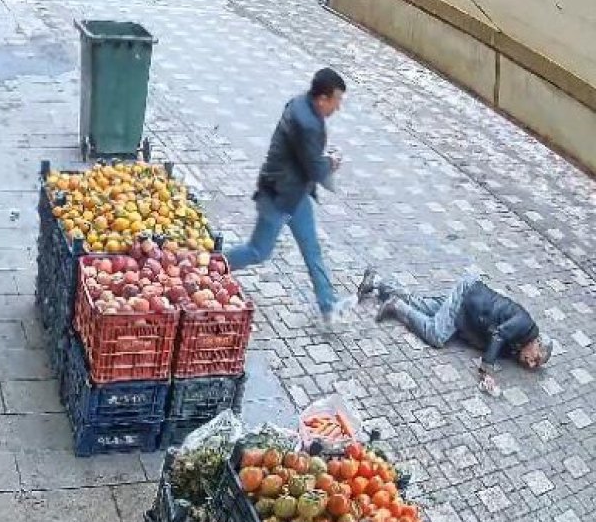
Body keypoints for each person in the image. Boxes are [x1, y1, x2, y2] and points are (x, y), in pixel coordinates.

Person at [225, 68, 352, 323]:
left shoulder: (299, 103)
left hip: (295, 194)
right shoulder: (309, 124)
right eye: (336, 100)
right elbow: (315, 169)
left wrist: (320, 159)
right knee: (258, 251)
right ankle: (212, 265)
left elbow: (305, 157)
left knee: (312, 249)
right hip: (278, 195)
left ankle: (328, 306)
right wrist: (331, 163)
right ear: (322, 99)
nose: (338, 108)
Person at [359, 268, 552, 373]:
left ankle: (375, 281)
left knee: (421, 306)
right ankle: (396, 305)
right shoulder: (526, 325)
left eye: (536, 364)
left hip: (466, 311)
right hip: (467, 298)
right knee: (436, 335)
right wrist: (487, 367)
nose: (532, 364)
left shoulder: (519, 345)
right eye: (536, 358)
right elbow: (498, 334)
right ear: (537, 344)